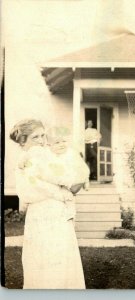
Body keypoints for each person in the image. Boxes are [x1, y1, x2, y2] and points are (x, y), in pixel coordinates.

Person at [10, 119, 86, 289]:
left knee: (54, 262)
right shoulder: (33, 159)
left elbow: (70, 181)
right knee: (50, 264)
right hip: (46, 215)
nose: (42, 141)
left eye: (43, 135)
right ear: (23, 141)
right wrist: (67, 189)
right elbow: (70, 183)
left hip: (50, 215)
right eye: (35, 137)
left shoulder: (37, 158)